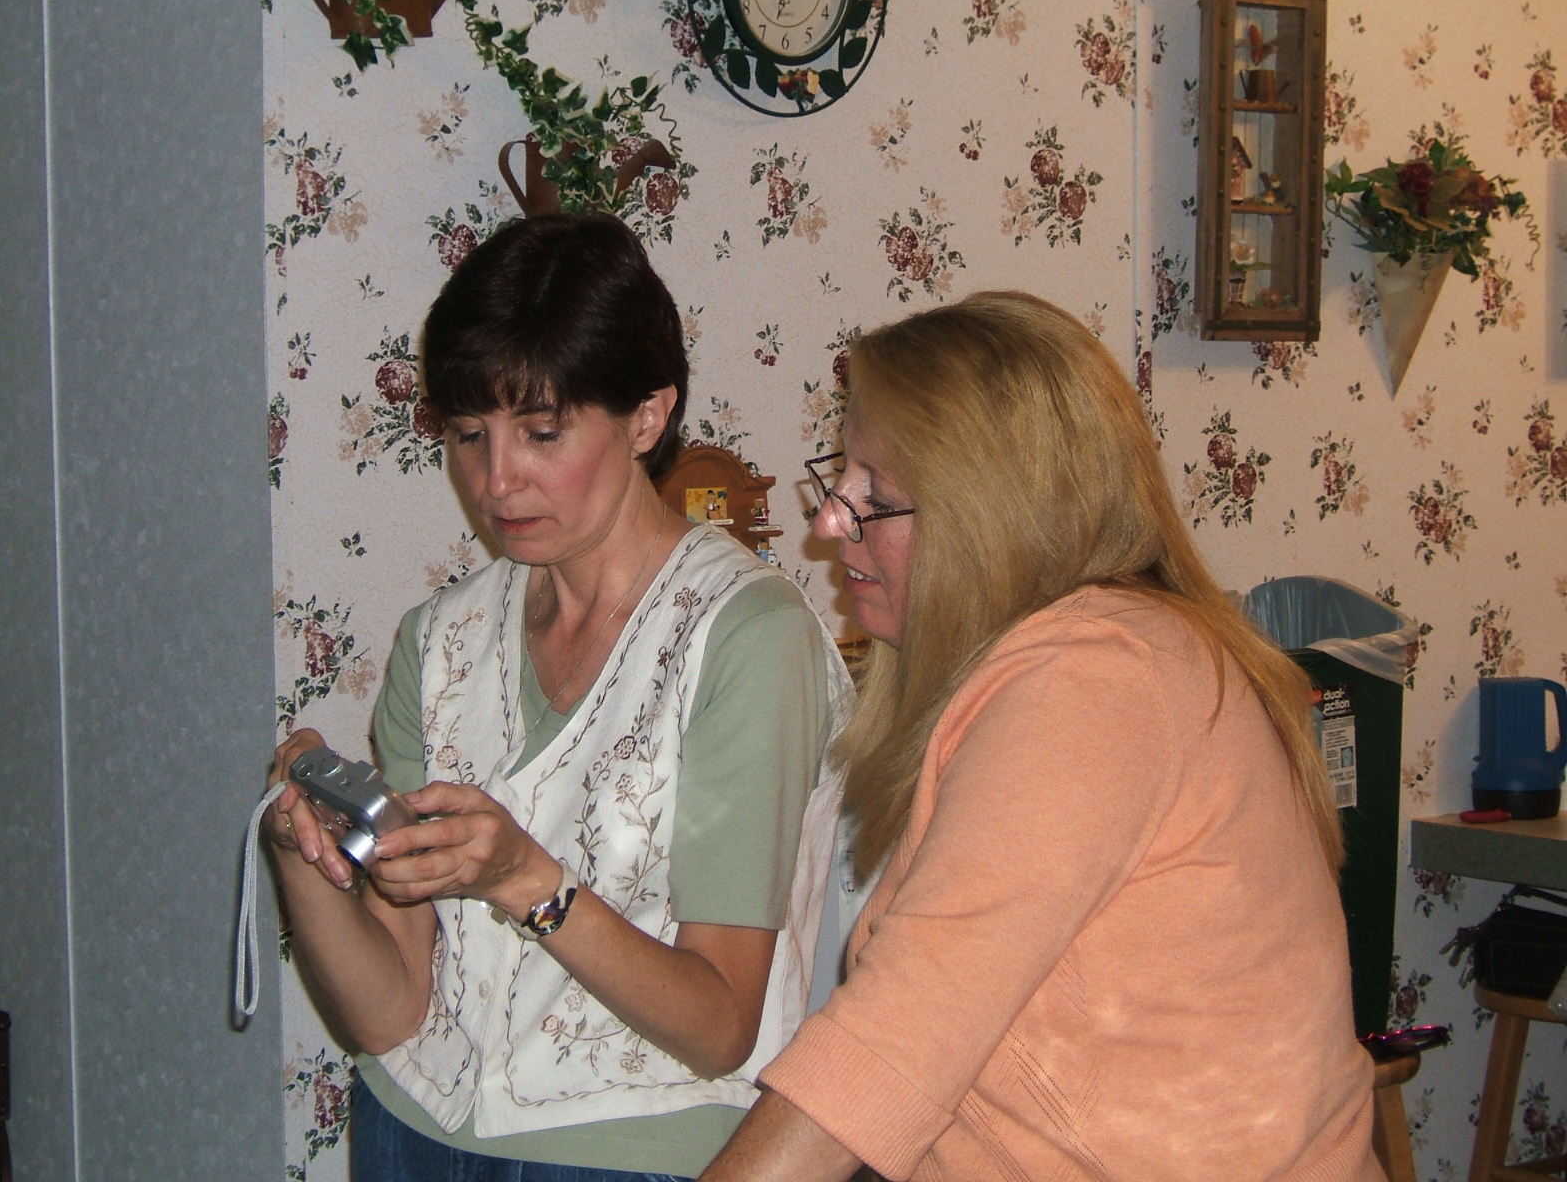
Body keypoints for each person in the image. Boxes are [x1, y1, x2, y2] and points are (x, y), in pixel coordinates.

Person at [700, 292, 1381, 1182]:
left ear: (993, 520)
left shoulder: (1095, 684)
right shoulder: (1113, 657)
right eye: (842, 478)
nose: (829, 521)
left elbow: (884, 1055)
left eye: (878, 495)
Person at [266, 213, 850, 1182]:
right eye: (468, 435)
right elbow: (392, 1011)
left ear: (647, 418)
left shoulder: (746, 638)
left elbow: (719, 1024)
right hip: (408, 1132)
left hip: (634, 1156)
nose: (496, 480)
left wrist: (524, 879)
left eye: (541, 433)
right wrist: (300, 857)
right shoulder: (438, 643)